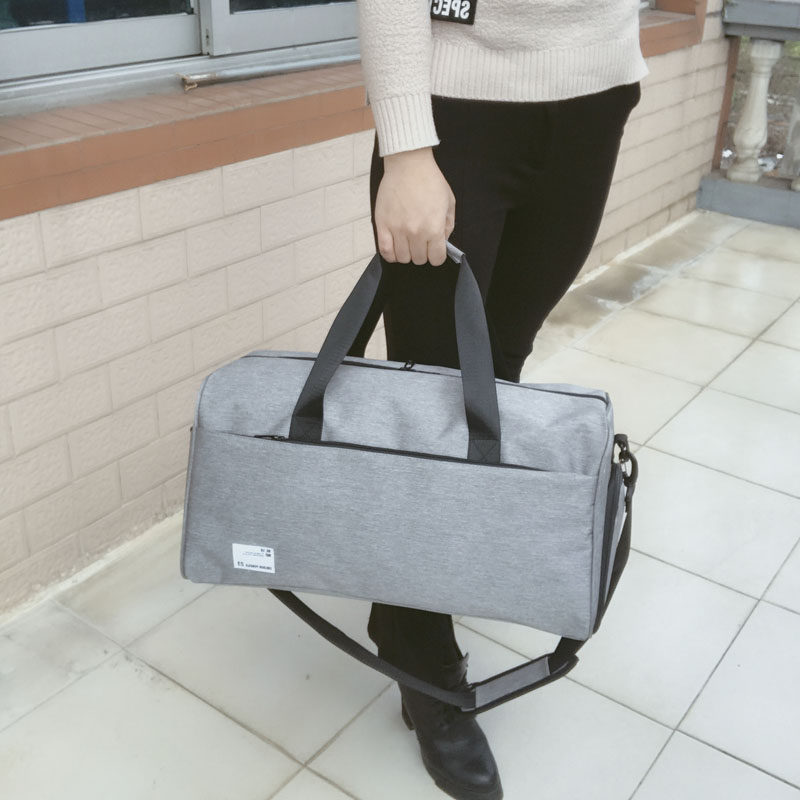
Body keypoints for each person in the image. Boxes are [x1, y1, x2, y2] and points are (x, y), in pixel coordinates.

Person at [348, 2, 648, 798]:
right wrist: (405, 146)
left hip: (595, 97)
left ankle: (405, 604)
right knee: (432, 400)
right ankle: (421, 656)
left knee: (497, 377)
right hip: (457, 111)